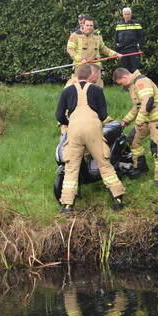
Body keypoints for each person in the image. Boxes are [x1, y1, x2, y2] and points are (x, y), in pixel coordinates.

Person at [55, 63, 127, 213]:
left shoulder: (67, 90)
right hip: (93, 128)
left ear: (76, 75)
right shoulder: (97, 90)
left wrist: (70, 122)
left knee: (71, 168)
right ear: (90, 75)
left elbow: (59, 115)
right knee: (104, 164)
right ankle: (118, 200)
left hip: (74, 129)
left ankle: (67, 205)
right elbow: (102, 115)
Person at [113, 66, 158, 182]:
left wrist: (139, 120)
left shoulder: (141, 82)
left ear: (125, 77)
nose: (123, 86)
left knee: (157, 147)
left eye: (122, 83)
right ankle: (140, 167)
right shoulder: (132, 85)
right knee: (132, 140)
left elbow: (147, 101)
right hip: (147, 119)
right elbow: (137, 106)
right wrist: (126, 120)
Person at [66, 17, 120, 86]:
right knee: (79, 87)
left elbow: (103, 48)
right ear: (83, 25)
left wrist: (115, 54)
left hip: (95, 66)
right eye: (87, 25)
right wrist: (80, 59)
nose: (89, 27)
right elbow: (70, 49)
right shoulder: (75, 35)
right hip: (81, 66)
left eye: (91, 26)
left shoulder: (97, 36)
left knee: (97, 88)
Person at [114, 6, 144, 72]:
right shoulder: (119, 24)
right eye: (125, 14)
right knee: (125, 68)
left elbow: (141, 36)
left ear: (131, 14)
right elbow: (116, 37)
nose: (127, 16)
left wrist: (138, 45)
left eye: (128, 14)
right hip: (122, 49)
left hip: (132, 49)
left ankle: (134, 82)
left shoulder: (136, 23)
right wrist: (117, 47)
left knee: (134, 68)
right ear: (123, 15)